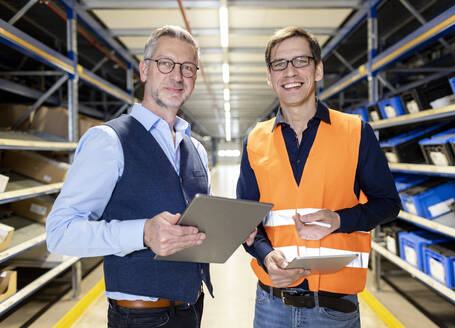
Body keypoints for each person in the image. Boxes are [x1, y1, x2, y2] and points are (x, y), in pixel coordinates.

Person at [47, 25, 213, 328]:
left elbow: (195, 226)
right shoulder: (108, 141)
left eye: (187, 68)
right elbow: (60, 232)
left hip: (192, 309)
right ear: (144, 70)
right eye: (165, 64)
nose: (177, 76)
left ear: (195, 77)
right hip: (139, 318)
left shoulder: (197, 149)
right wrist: (143, 233)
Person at [237, 26, 401, 328]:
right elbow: (246, 220)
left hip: (334, 309)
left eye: (301, 60)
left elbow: (388, 203)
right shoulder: (255, 139)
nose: (290, 72)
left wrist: (340, 220)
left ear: (318, 69)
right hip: (272, 303)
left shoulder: (356, 132)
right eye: (279, 64)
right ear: (269, 76)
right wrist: (265, 255)